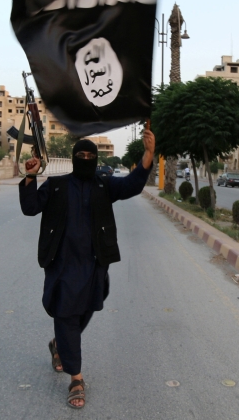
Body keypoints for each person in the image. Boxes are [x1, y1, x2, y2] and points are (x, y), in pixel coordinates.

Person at [19, 129, 155, 409]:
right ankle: (76, 378)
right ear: (73, 158)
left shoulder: (103, 185)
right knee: (66, 313)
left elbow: (131, 184)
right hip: (62, 264)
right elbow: (30, 207)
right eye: (80, 155)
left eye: (90, 156)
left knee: (89, 306)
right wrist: (30, 176)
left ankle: (59, 344)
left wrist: (149, 155)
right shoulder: (57, 185)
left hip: (94, 264)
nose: (85, 159)